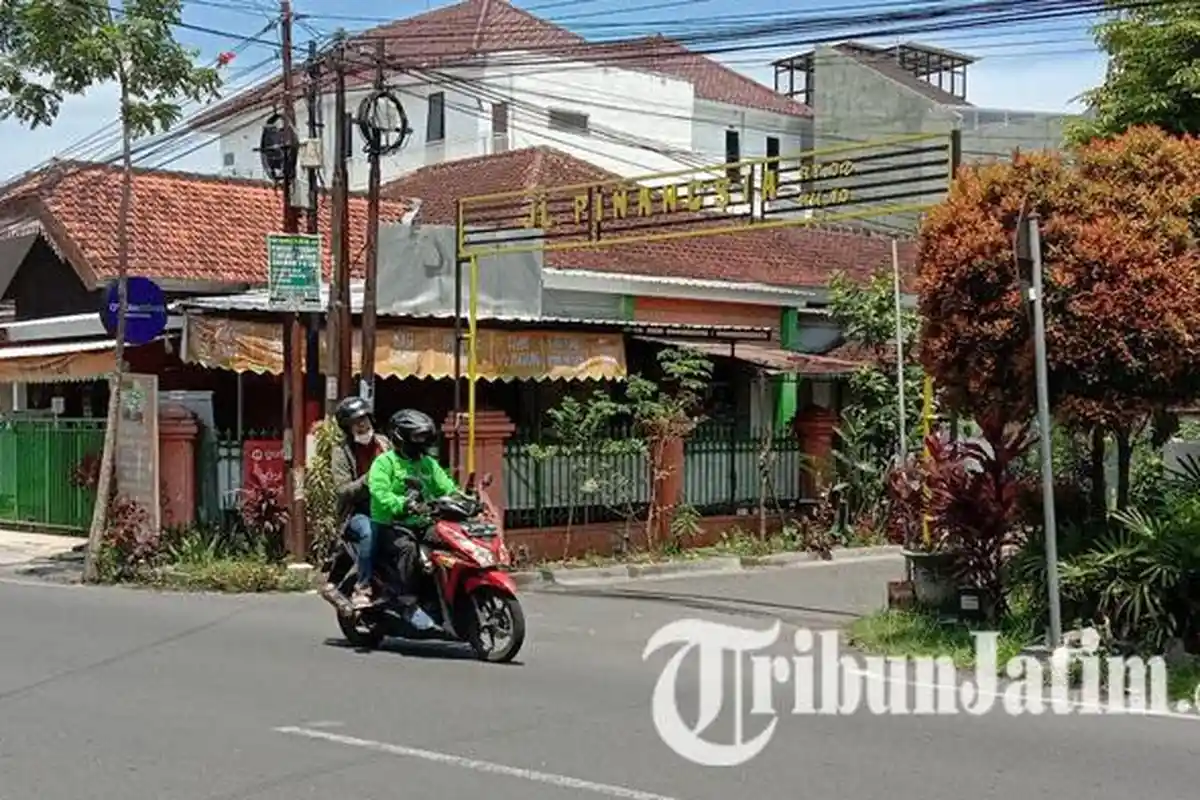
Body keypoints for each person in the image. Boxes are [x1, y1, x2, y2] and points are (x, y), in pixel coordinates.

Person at [367, 408, 458, 631]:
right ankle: (406, 603)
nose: (422, 442)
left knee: (453, 542)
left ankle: (450, 597)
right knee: (408, 550)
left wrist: (463, 501)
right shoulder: (385, 462)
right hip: (391, 524)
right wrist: (403, 503)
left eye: (425, 437)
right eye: (417, 437)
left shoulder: (427, 463)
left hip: (422, 523)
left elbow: (447, 488)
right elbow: (379, 491)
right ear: (401, 437)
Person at [329, 396, 390, 609]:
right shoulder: (341, 452)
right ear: (348, 427)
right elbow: (343, 490)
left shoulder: (384, 443)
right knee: (369, 532)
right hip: (357, 512)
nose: (362, 425)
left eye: (364, 419)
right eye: (356, 422)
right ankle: (362, 588)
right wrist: (369, 479)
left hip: (388, 505)